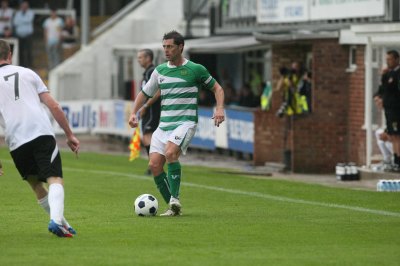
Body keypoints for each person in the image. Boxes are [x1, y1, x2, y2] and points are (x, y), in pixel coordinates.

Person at [128, 30, 225, 216]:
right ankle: (173, 208)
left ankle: (175, 199)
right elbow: (145, 93)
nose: (166, 50)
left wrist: (219, 109)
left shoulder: (196, 69)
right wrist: (134, 112)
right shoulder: (160, 71)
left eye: (170, 46)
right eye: (164, 47)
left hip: (185, 123)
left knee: (171, 153)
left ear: (181, 47)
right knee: (155, 165)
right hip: (164, 125)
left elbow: (217, 89)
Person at [0, 39, 80, 237]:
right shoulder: (27, 73)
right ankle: (55, 221)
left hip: (15, 140)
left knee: (36, 184)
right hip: (40, 132)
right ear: (9, 54)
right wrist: (69, 134)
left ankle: (63, 224)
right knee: (55, 179)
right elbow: (54, 106)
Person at [137, 48, 160, 175]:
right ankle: (153, 164)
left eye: (140, 57)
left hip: (152, 110)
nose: (138, 60)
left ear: (148, 58)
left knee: (148, 137)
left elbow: (158, 91)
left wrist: (146, 106)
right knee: (147, 137)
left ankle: (153, 165)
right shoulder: (147, 72)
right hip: (148, 109)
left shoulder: (152, 72)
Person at [377, 50, 400, 171]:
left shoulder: (398, 74)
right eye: (387, 60)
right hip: (389, 111)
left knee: (396, 137)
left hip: (396, 110)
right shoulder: (388, 74)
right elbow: (382, 89)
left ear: (397, 59)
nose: (388, 62)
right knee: (393, 136)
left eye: (390, 59)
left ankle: (398, 162)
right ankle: (395, 161)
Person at [373, 92, 393, 171]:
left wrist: (388, 133)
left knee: (388, 138)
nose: (377, 103)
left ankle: (396, 161)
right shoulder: (386, 111)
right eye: (375, 101)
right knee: (379, 133)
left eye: (378, 100)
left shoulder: (393, 110)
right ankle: (387, 160)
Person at [12, 1, 34, 67]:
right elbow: (15, 23)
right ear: (21, 6)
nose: (24, 7)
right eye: (23, 6)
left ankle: (29, 66)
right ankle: (20, 65)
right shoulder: (18, 13)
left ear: (27, 6)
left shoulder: (31, 12)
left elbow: (29, 20)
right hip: (19, 36)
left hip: (28, 35)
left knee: (28, 51)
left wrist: (20, 20)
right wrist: (23, 20)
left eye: (25, 6)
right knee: (20, 51)